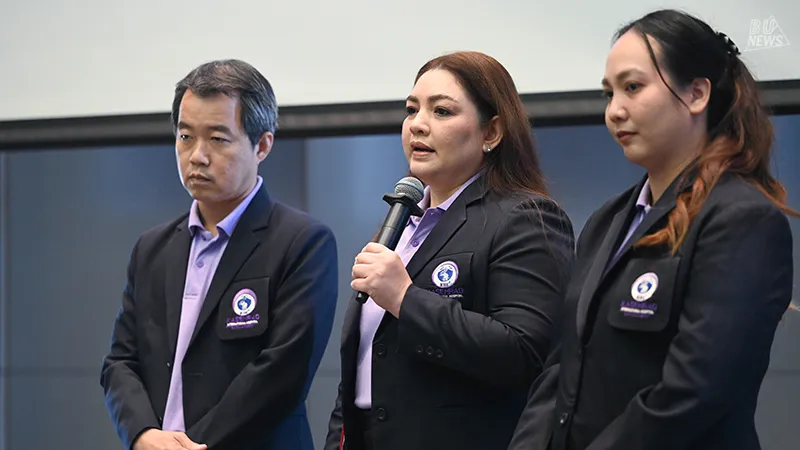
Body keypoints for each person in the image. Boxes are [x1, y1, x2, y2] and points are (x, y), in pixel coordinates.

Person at [508, 9, 797, 450]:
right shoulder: (607, 220)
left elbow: (694, 391)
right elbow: (561, 369)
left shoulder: (742, 219)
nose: (614, 111)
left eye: (633, 87)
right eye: (609, 93)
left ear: (697, 93)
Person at [325, 51, 576, 450]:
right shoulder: (401, 224)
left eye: (441, 111)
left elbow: (525, 353)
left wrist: (405, 299)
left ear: (491, 132)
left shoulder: (525, 217)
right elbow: (363, 367)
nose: (417, 125)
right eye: (412, 110)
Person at [100, 59, 338, 450]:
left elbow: (282, 374)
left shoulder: (302, 242)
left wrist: (191, 445)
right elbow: (121, 362)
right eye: (185, 137)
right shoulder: (152, 248)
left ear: (262, 145)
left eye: (217, 139)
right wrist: (142, 434)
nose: (197, 155)